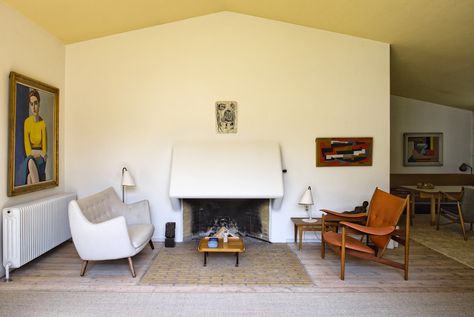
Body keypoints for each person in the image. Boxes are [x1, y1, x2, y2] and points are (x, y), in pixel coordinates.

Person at [22, 89, 47, 184]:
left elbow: (44, 153)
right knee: (30, 161)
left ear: (39, 104)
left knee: (29, 177)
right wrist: (39, 152)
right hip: (31, 158)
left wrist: (40, 153)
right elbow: (28, 152)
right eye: (31, 104)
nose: (34, 107)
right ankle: (40, 196)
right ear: (29, 105)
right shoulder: (27, 122)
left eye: (36, 103)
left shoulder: (42, 123)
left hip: (40, 160)